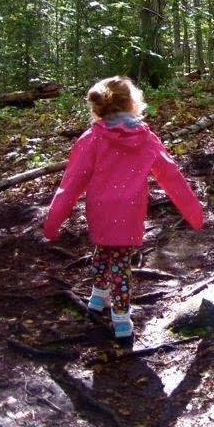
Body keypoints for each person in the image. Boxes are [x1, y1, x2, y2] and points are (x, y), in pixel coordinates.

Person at [43, 75, 204, 345]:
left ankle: (97, 297)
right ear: (132, 103)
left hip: (100, 210)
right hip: (129, 212)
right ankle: (121, 320)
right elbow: (171, 176)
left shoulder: (92, 137)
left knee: (103, 251)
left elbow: (70, 183)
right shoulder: (145, 137)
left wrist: (53, 222)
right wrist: (194, 213)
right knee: (120, 263)